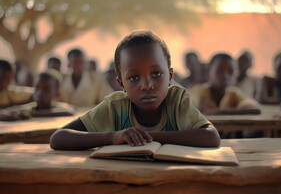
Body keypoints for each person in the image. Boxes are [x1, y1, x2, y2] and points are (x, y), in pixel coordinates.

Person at [50, 30, 220, 150]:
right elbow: (58, 138)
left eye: (156, 74)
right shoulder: (115, 107)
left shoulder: (176, 100)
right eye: (133, 78)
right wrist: (114, 137)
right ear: (120, 83)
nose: (147, 85)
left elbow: (211, 137)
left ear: (170, 76)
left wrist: (147, 136)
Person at [189, 53, 261, 116]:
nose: (225, 76)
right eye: (220, 71)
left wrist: (218, 112)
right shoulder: (198, 91)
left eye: (230, 72)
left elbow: (255, 109)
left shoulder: (234, 93)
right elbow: (190, 107)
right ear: (208, 71)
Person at [0, 69, 76, 121]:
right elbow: (7, 111)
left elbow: (69, 110)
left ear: (57, 94)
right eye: (37, 88)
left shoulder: (61, 107)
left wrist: (33, 114)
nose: (40, 93)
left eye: (46, 89)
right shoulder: (29, 107)